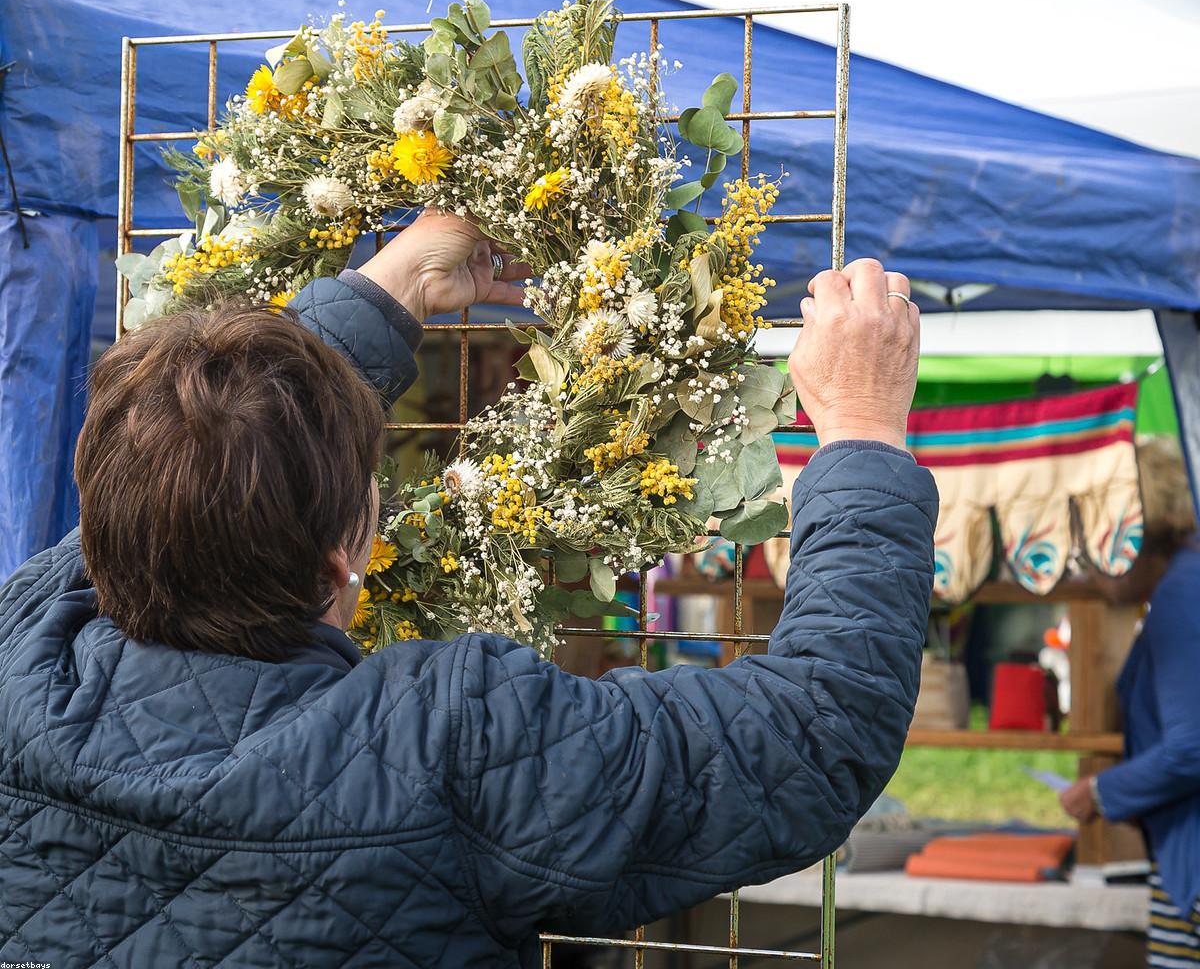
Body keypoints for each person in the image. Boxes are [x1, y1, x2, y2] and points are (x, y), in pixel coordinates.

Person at [0, 211, 936, 968]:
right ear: (341, 569)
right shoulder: (441, 745)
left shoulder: (25, 650)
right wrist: (861, 431)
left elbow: (175, 481)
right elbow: (813, 731)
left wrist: (389, 288)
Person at [1060, 507, 1200, 969]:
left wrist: (1100, 792)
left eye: (1093, 555)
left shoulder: (1182, 595)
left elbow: (1190, 748)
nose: (1091, 575)